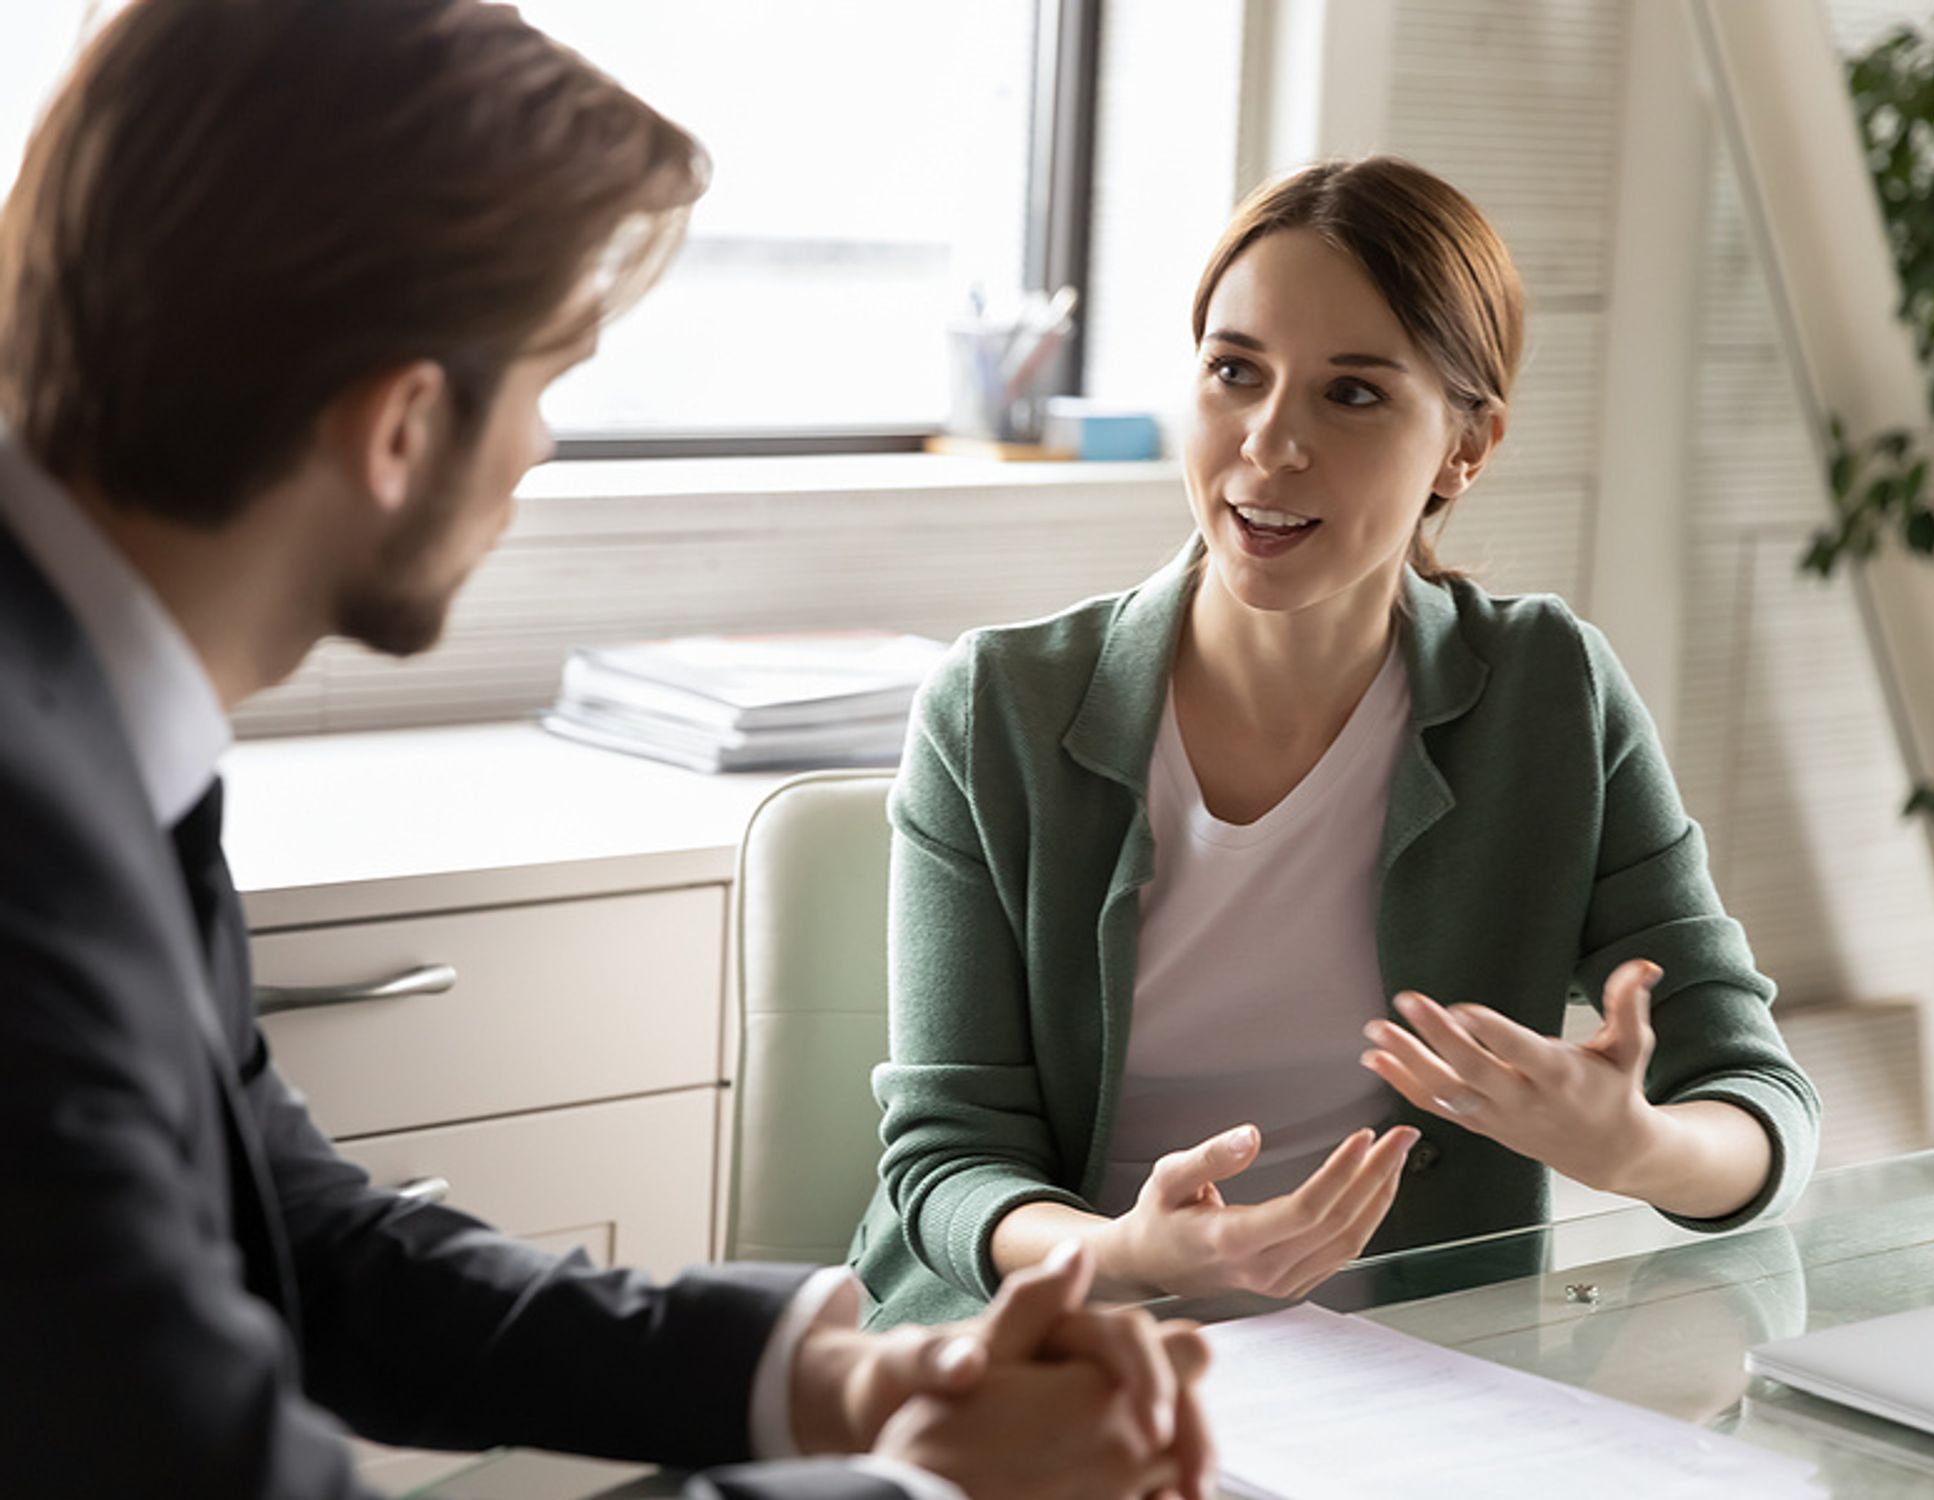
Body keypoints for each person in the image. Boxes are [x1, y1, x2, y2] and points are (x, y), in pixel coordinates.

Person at [0, 4, 1212, 1498]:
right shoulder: (28, 841)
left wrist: (837, 1380)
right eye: (547, 380)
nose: (541, 450)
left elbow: (292, 1234)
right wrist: (932, 1491)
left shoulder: (78, 713)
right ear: (398, 428)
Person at [853, 156, 1822, 1327]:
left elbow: (1751, 1092)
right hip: (1054, 1353)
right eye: (1232, 372)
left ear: (1466, 446)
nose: (1267, 443)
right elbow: (946, 1165)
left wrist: (1636, 1148)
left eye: (1350, 394)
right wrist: (1131, 1254)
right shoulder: (995, 709)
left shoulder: (1547, 696)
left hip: (1396, 1388)